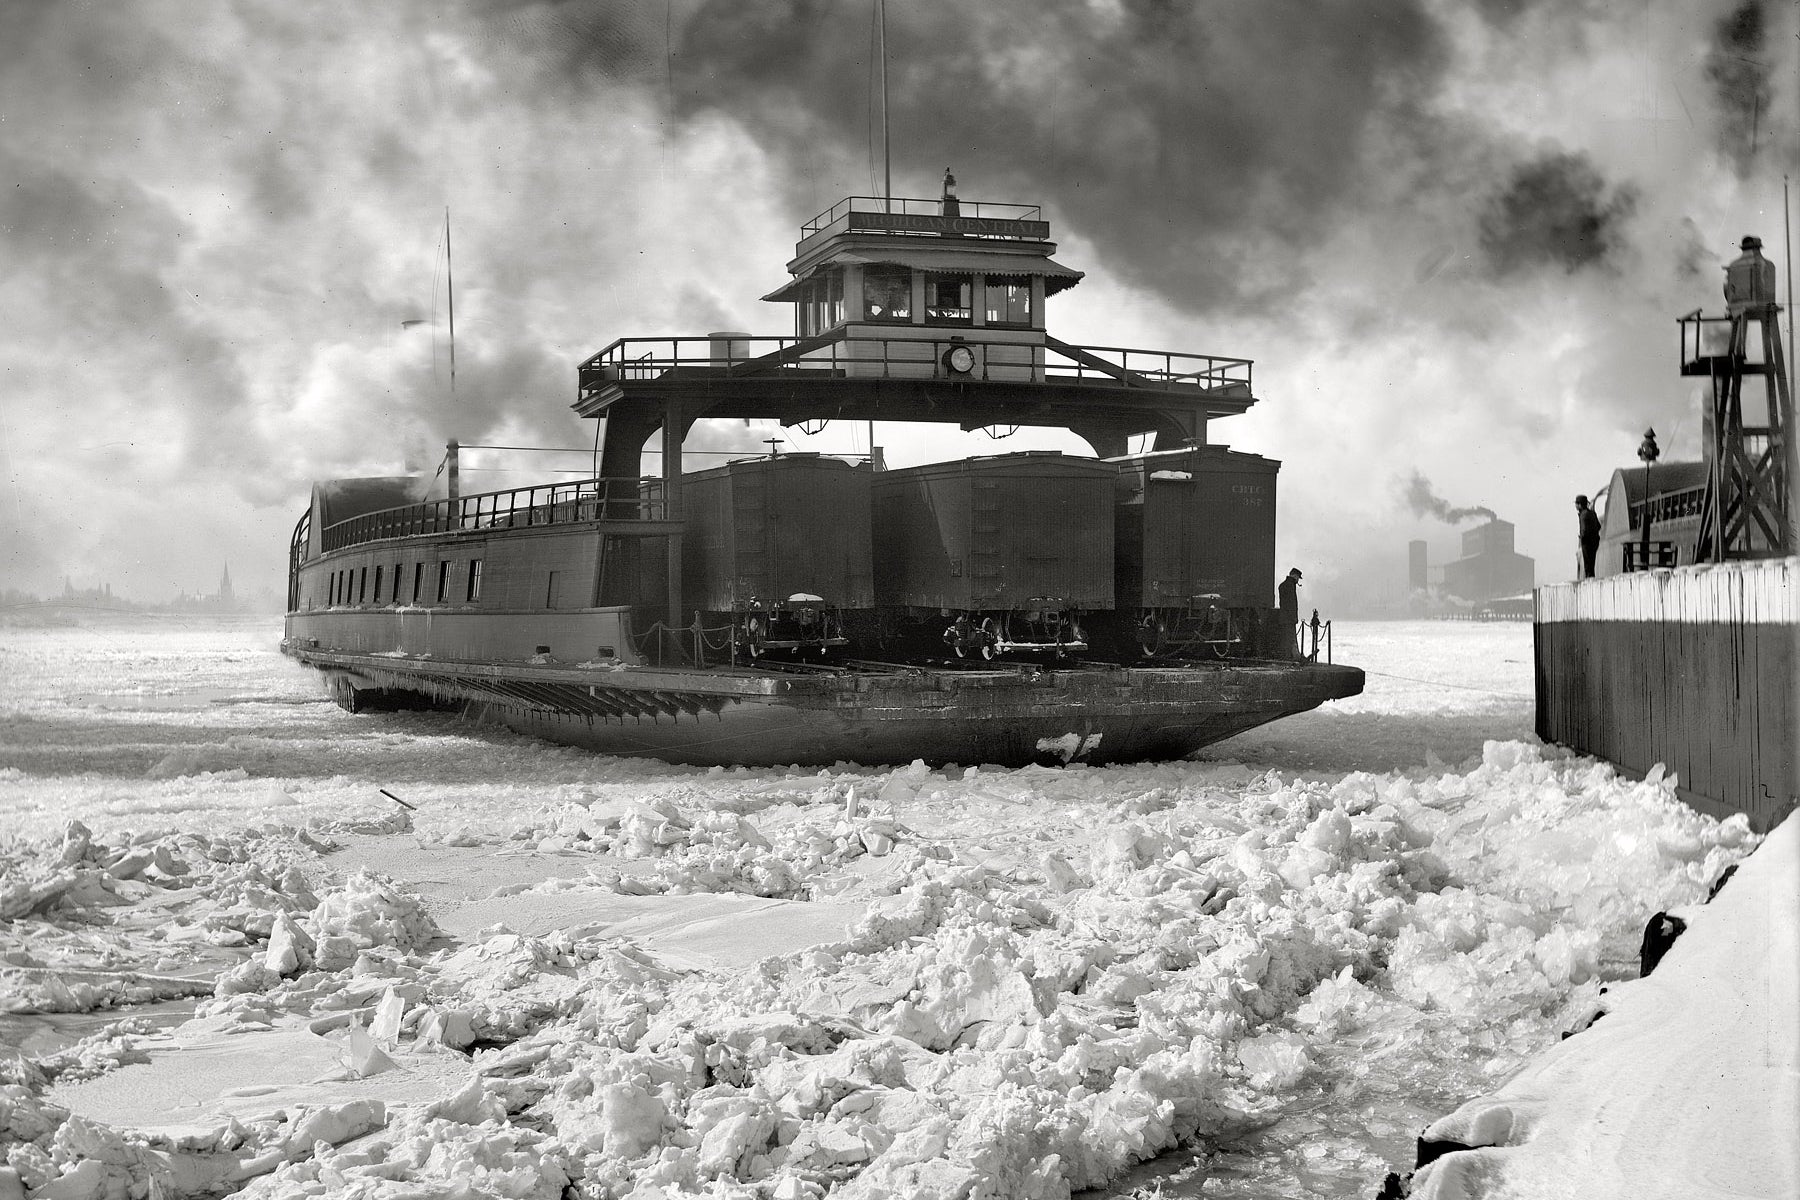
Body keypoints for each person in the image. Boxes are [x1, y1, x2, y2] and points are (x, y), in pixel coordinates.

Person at [1277, 568, 1302, 656]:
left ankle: (1289, 655)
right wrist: (1294, 617)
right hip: (1290, 617)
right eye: (1298, 577)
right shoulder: (1290, 586)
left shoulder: (1282, 585)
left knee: (1286, 638)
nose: (1298, 580)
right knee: (1290, 638)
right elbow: (1291, 604)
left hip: (1284, 616)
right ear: (1295, 576)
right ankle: (1291, 655)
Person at [1575, 494, 1601, 579]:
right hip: (1595, 542)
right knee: (1592, 564)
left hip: (1587, 543)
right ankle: (1591, 578)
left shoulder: (1583, 515)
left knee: (1587, 565)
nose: (1575, 506)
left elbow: (1584, 530)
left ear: (1579, 505)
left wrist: (1581, 537)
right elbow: (1599, 526)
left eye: (1576, 504)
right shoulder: (1592, 513)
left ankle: (1589, 580)